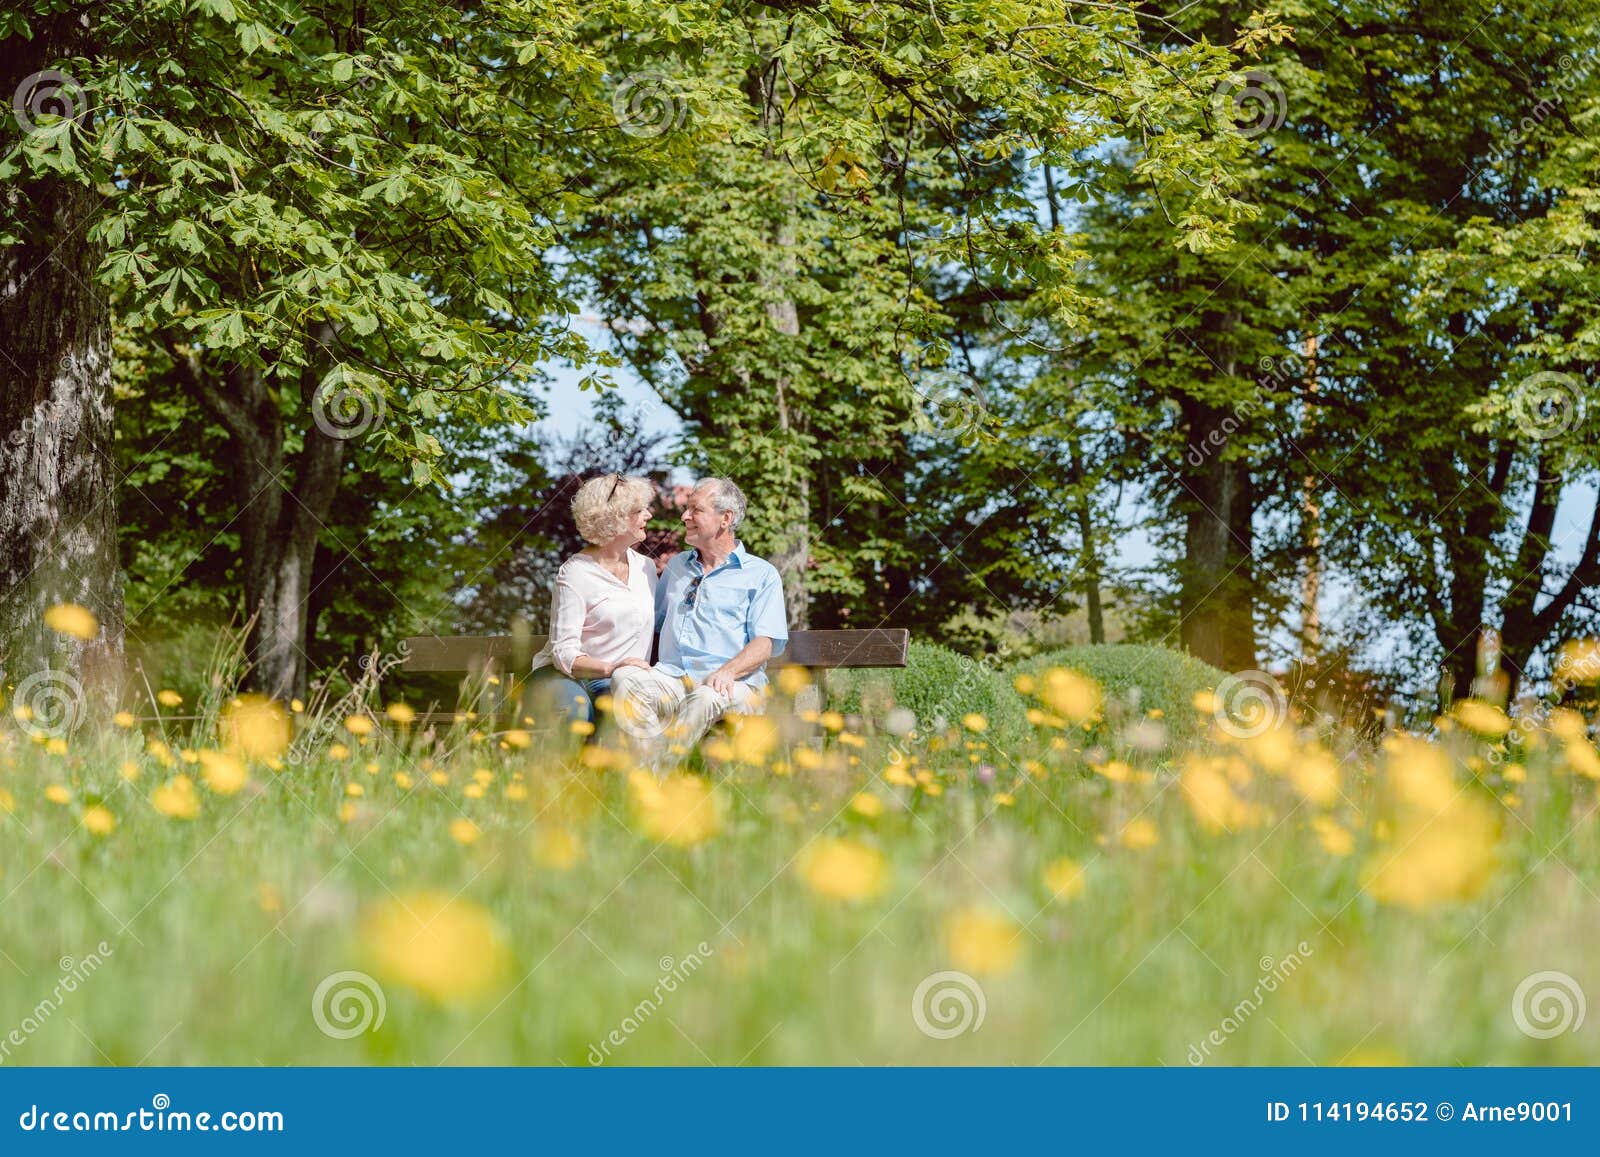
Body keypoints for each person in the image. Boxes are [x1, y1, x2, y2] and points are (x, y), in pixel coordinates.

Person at [610, 477, 787, 768]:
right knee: (624, 679)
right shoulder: (677, 567)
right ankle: (649, 773)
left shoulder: (761, 574)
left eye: (695, 510)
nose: (685, 517)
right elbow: (650, 622)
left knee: (706, 697)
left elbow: (765, 643)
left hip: (732, 685)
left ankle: (657, 781)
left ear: (725, 519)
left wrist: (728, 671)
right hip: (672, 679)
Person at [527, 473, 658, 726]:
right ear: (616, 517)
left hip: (622, 681)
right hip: (565, 676)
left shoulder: (647, 568)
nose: (648, 515)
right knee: (575, 711)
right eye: (638, 510)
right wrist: (611, 668)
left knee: (630, 716)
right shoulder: (576, 572)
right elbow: (564, 654)